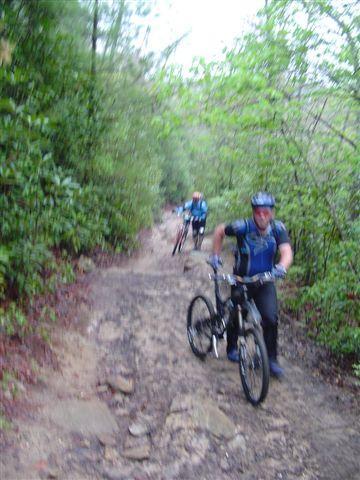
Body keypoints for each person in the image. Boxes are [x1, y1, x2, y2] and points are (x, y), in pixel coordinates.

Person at [209, 192, 293, 378]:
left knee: (270, 319)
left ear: (271, 212)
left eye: (266, 211)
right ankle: (231, 347)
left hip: (265, 281)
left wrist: (281, 267)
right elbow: (220, 231)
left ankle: (270, 360)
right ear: (253, 212)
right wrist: (215, 255)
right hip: (242, 280)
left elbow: (286, 251)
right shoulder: (242, 227)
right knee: (237, 313)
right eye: (258, 211)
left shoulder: (278, 229)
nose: (262, 215)